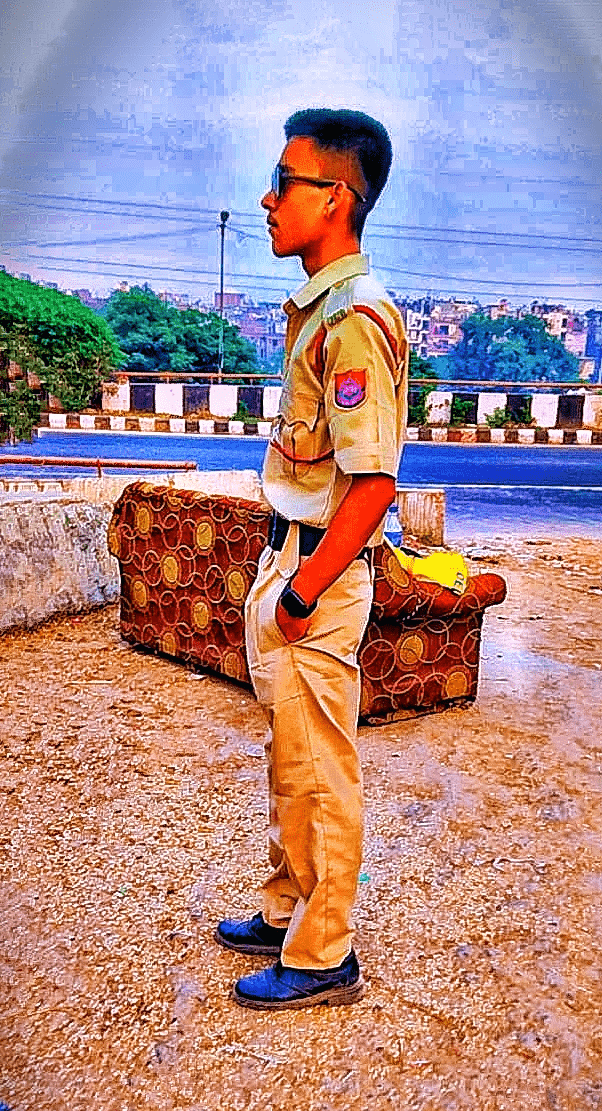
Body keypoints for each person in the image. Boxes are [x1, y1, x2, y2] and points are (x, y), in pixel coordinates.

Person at [215, 108, 408, 1009]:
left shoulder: (355, 319)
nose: (268, 199)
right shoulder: (320, 312)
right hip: (291, 563)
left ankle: (325, 951)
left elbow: (373, 484)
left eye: (283, 181)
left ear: (335, 197)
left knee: (322, 771)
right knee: (290, 759)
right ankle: (289, 906)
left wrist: (301, 594)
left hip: (315, 579)